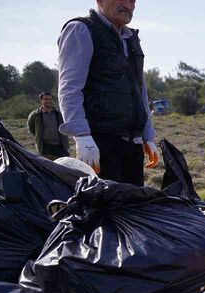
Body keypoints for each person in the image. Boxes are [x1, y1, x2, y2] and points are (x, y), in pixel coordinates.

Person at [57, 0, 158, 185]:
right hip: (100, 141)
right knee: (105, 208)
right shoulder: (82, 30)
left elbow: (140, 90)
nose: (128, 5)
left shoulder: (130, 39)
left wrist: (147, 136)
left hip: (132, 144)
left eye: (132, 0)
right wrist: (82, 136)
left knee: (132, 208)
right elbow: (70, 88)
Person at [27, 92, 70, 159]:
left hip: (60, 145)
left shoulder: (59, 113)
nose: (48, 101)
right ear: (41, 100)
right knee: (48, 166)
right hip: (45, 147)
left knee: (64, 165)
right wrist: (39, 136)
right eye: (46, 99)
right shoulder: (35, 115)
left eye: (50, 99)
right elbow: (31, 128)